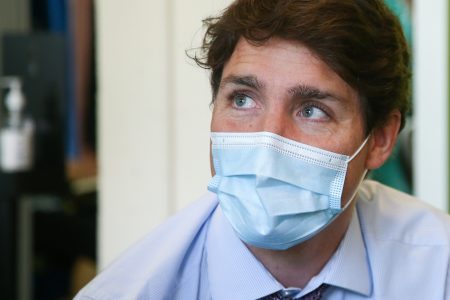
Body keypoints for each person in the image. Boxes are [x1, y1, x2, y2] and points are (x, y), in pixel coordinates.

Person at [75, 0, 450, 299]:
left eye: (312, 110)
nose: (268, 141)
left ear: (381, 138)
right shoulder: (134, 291)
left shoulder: (439, 270)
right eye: (242, 100)